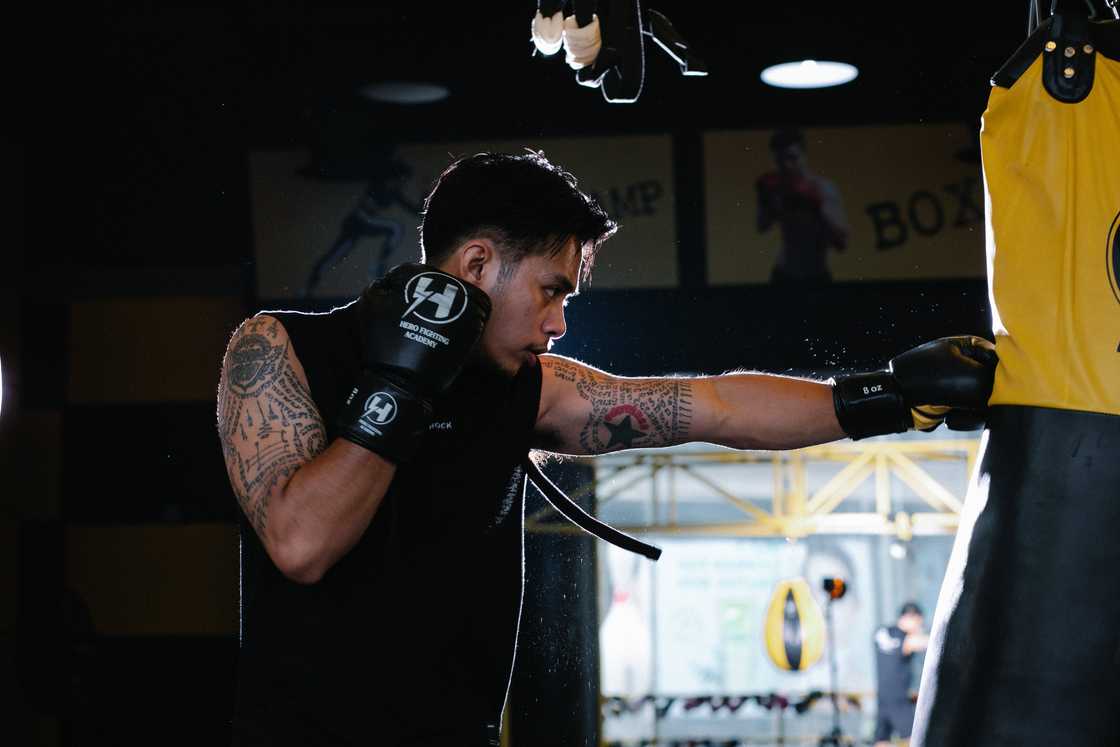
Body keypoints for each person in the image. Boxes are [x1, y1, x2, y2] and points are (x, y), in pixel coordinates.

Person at [216, 150, 996, 746]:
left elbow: (715, 406)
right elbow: (302, 544)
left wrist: (889, 397)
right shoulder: (279, 347)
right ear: (478, 264)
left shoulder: (528, 390)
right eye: (552, 290)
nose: (559, 323)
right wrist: (402, 384)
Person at [756, 128, 850, 286]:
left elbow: (841, 244)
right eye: (780, 161)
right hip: (783, 275)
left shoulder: (825, 189)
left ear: (804, 155)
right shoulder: (775, 188)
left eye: (792, 158)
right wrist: (768, 202)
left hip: (817, 276)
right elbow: (761, 226)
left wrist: (818, 207)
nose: (787, 165)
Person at [873, 602, 929, 746]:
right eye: (918, 622)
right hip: (898, 700)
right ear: (912, 618)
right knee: (915, 741)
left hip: (883, 700)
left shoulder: (883, 632)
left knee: (882, 741)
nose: (919, 627)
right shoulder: (904, 637)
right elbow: (924, 642)